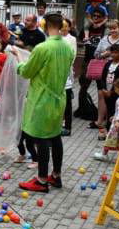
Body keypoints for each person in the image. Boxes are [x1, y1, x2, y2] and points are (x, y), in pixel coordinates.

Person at [15, 14, 75, 193]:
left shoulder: (42, 47)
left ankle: (41, 180)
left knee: (41, 139)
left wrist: (18, 58)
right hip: (60, 97)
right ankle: (56, 175)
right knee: (55, 137)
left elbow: (26, 71)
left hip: (42, 99)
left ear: (45, 25)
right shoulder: (67, 47)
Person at [94, 78, 119, 162]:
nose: (114, 90)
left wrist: (117, 120)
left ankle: (104, 154)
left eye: (115, 88)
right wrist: (114, 116)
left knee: (110, 138)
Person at [96, 43, 119, 140]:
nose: (114, 55)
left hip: (116, 92)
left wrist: (112, 91)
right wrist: (103, 89)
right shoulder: (108, 63)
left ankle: (117, 132)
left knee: (117, 112)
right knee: (109, 111)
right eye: (112, 52)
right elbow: (102, 76)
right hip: (107, 90)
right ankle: (108, 131)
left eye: (116, 53)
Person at [61, 18, 78, 136]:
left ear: (69, 27)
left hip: (66, 71)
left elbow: (73, 55)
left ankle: (67, 126)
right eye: (62, 26)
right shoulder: (55, 38)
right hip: (55, 71)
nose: (64, 28)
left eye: (66, 26)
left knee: (67, 101)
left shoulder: (72, 39)